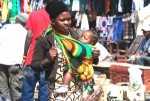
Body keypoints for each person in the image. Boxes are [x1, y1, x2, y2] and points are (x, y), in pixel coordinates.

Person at [24, 1, 99, 101]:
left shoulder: (75, 35)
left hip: (76, 89)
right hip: (57, 91)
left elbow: (86, 55)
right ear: (53, 21)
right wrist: (48, 59)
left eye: (69, 19)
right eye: (62, 20)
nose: (67, 22)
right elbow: (35, 65)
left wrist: (94, 55)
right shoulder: (45, 40)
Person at [21, 1, 52, 101]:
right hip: (48, 60)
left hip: (32, 59)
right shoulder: (57, 18)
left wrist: (25, 55)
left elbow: (29, 36)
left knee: (27, 92)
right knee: (44, 93)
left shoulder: (34, 14)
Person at [0, 13, 28, 101]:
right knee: (16, 89)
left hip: (1, 61)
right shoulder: (25, 32)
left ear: (16, 20)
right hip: (16, 62)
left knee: (3, 88)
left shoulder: (4, 28)